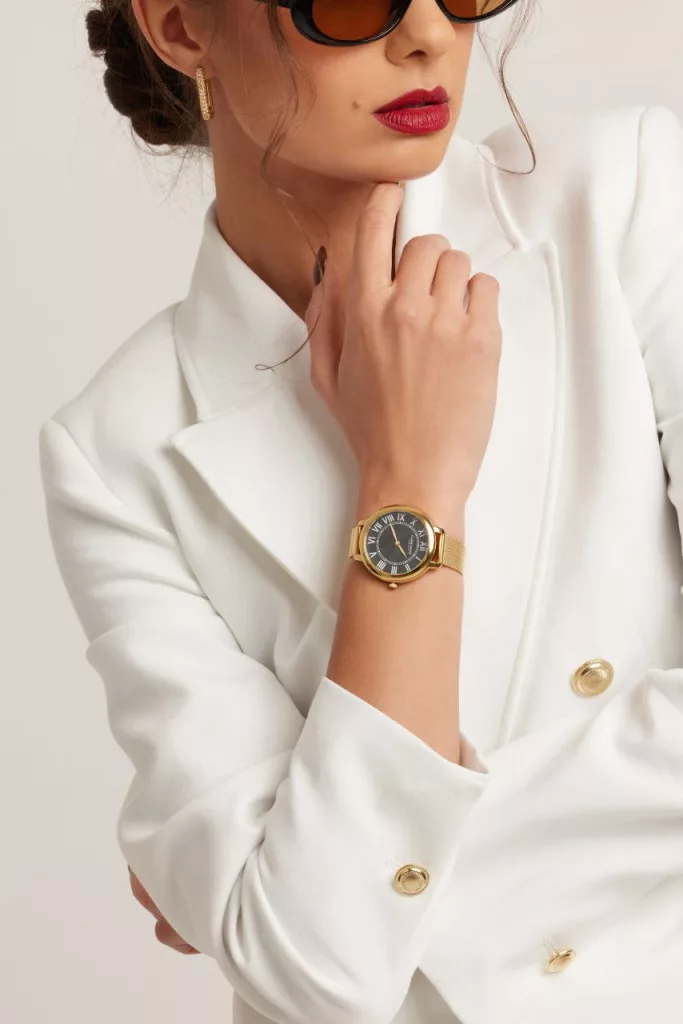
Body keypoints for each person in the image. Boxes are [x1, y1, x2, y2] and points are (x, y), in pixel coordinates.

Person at [38, 0, 683, 1021]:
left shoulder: (630, 201)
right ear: (183, 27)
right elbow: (321, 981)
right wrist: (409, 482)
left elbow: (303, 939)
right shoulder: (118, 448)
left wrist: (302, 877)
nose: (429, 32)